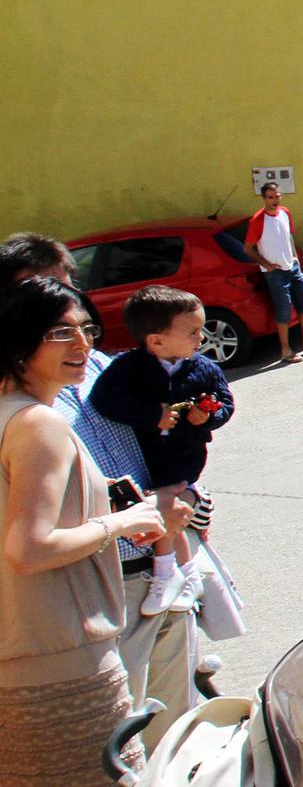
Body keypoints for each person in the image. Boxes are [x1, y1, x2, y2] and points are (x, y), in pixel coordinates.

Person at [0, 235, 201, 751]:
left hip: (154, 566)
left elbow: (160, 436)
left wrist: (179, 496)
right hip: (90, 600)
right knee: (124, 743)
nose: (78, 339)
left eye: (82, 322)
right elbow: (29, 545)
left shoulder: (100, 368)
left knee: (175, 734)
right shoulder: (31, 416)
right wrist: (124, 519)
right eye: (53, 322)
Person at [91, 287, 235, 618]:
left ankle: (168, 573)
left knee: (168, 504)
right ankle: (187, 575)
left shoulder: (203, 368)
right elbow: (104, 401)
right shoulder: (128, 368)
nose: (201, 337)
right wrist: (150, 415)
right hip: (146, 458)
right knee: (167, 511)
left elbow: (225, 402)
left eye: (201, 328)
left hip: (185, 454)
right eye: (192, 332)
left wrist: (208, 417)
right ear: (156, 341)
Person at [243, 184, 303, 364]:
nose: (274, 201)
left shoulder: (285, 213)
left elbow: (288, 235)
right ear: (264, 199)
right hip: (275, 273)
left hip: (292, 267)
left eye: (277, 196)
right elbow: (248, 249)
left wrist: (295, 257)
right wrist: (267, 265)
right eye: (270, 197)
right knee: (283, 309)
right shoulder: (258, 220)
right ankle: (285, 350)